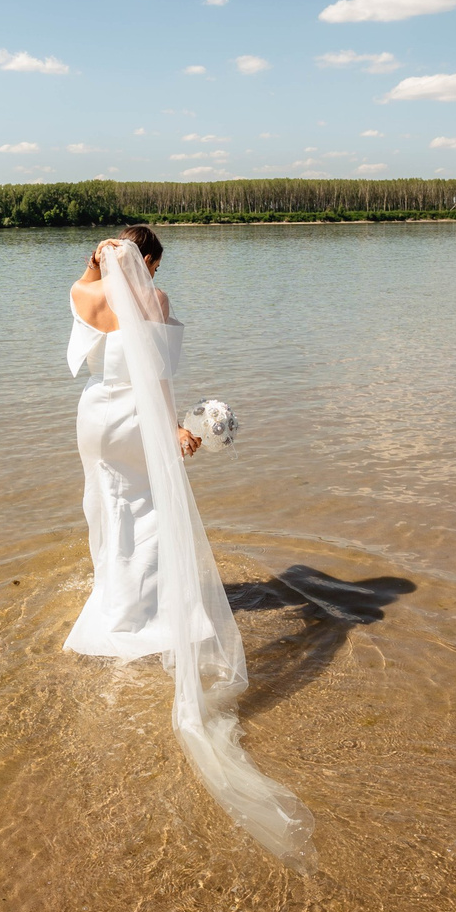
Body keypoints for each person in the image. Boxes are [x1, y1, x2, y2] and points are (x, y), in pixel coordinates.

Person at [61, 228, 314, 861]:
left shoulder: (82, 293)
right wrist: (180, 428)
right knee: (149, 513)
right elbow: (160, 373)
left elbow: (90, 311)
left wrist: (97, 262)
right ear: (147, 264)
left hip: (97, 420)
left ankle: (115, 600)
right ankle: (143, 613)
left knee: (109, 508)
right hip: (140, 419)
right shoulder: (158, 300)